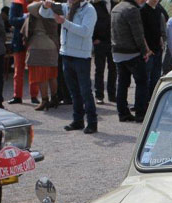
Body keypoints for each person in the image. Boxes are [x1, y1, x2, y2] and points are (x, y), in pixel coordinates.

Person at [40, 0, 98, 134]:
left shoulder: (89, 9)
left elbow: (85, 31)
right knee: (73, 91)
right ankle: (78, 120)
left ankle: (92, 122)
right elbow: (43, 14)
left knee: (85, 91)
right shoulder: (65, 7)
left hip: (81, 56)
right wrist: (45, 6)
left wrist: (64, 22)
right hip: (66, 53)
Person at [111, 0, 152, 122]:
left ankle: (122, 113)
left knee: (122, 83)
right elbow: (138, 33)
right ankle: (140, 113)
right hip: (132, 52)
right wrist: (144, 51)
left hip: (118, 51)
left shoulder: (116, 8)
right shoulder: (132, 9)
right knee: (142, 82)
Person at [26, 2, 61, 111]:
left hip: (39, 45)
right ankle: (54, 98)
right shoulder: (56, 10)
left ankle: (45, 100)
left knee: (41, 76)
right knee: (52, 74)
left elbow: (29, 7)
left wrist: (43, 3)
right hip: (52, 44)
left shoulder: (40, 10)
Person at [10, 0, 40, 104]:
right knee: (18, 70)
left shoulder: (38, 3)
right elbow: (12, 20)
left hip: (33, 40)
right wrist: (26, 18)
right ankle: (17, 96)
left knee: (34, 69)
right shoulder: (16, 3)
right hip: (19, 41)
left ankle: (34, 96)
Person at [141, 0, 168, 97]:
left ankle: (153, 100)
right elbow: (141, 33)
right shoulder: (143, 10)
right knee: (146, 79)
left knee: (156, 79)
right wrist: (147, 49)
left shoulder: (158, 9)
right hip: (148, 51)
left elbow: (160, 26)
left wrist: (161, 39)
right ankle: (144, 101)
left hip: (158, 49)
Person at [92, 0, 116, 104]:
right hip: (100, 42)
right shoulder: (95, 5)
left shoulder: (115, 4)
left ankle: (112, 95)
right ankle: (99, 95)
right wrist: (94, 38)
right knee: (99, 70)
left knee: (113, 69)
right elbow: (92, 22)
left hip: (113, 42)